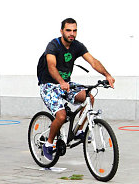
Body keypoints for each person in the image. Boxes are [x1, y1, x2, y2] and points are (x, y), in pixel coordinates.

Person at [37, 18, 115, 160]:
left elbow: (93, 61)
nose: (71, 33)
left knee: (89, 98)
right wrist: (60, 81)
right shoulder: (53, 46)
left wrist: (107, 75)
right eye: (68, 30)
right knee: (60, 116)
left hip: (66, 84)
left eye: (74, 30)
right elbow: (51, 66)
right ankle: (48, 144)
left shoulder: (77, 46)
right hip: (49, 85)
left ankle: (79, 131)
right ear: (62, 31)